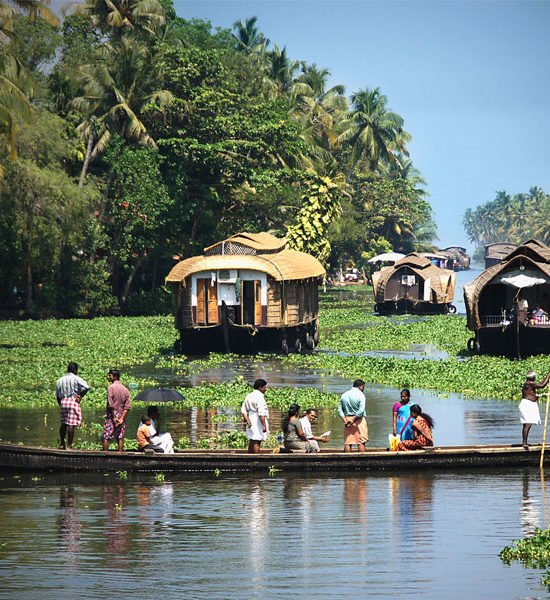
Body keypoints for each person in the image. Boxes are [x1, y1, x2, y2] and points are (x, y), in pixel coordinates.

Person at [55, 362, 89, 449]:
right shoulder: (75, 378)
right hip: (72, 401)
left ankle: (62, 444)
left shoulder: (60, 380)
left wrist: (61, 404)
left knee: (63, 423)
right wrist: (80, 395)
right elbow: (86, 387)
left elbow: (58, 395)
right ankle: (69, 445)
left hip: (63, 401)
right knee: (71, 424)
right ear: (74, 370)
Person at [102, 369, 131, 452]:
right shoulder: (125, 389)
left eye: (110, 375)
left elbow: (110, 405)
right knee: (120, 436)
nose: (108, 377)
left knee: (106, 435)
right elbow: (127, 406)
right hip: (121, 414)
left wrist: (114, 417)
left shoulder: (111, 388)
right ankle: (120, 454)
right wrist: (122, 418)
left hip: (112, 415)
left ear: (115, 377)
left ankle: (105, 455)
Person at [520, 370, 550, 448]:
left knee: (527, 424)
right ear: (532, 377)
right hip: (527, 404)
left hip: (529, 404)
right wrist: (549, 374)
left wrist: (547, 377)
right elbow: (542, 385)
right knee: (528, 423)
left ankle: (524, 442)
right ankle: (524, 443)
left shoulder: (529, 384)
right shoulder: (529, 383)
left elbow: (541, 384)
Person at [338, 379, 368, 452]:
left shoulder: (344, 395)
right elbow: (361, 411)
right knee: (361, 441)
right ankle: (362, 461)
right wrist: (353, 419)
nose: (363, 389)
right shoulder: (361, 395)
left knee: (348, 442)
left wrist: (345, 419)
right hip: (359, 420)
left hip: (347, 419)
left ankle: (347, 461)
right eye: (363, 387)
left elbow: (339, 410)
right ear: (360, 386)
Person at [241, 378, 269, 454]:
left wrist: (248, 420)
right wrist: (264, 425)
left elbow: (244, 410)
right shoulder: (260, 397)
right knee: (257, 441)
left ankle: (249, 459)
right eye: (264, 387)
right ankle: (257, 460)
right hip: (257, 420)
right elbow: (261, 413)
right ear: (260, 387)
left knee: (252, 441)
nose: (265, 389)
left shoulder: (249, 395)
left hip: (251, 417)